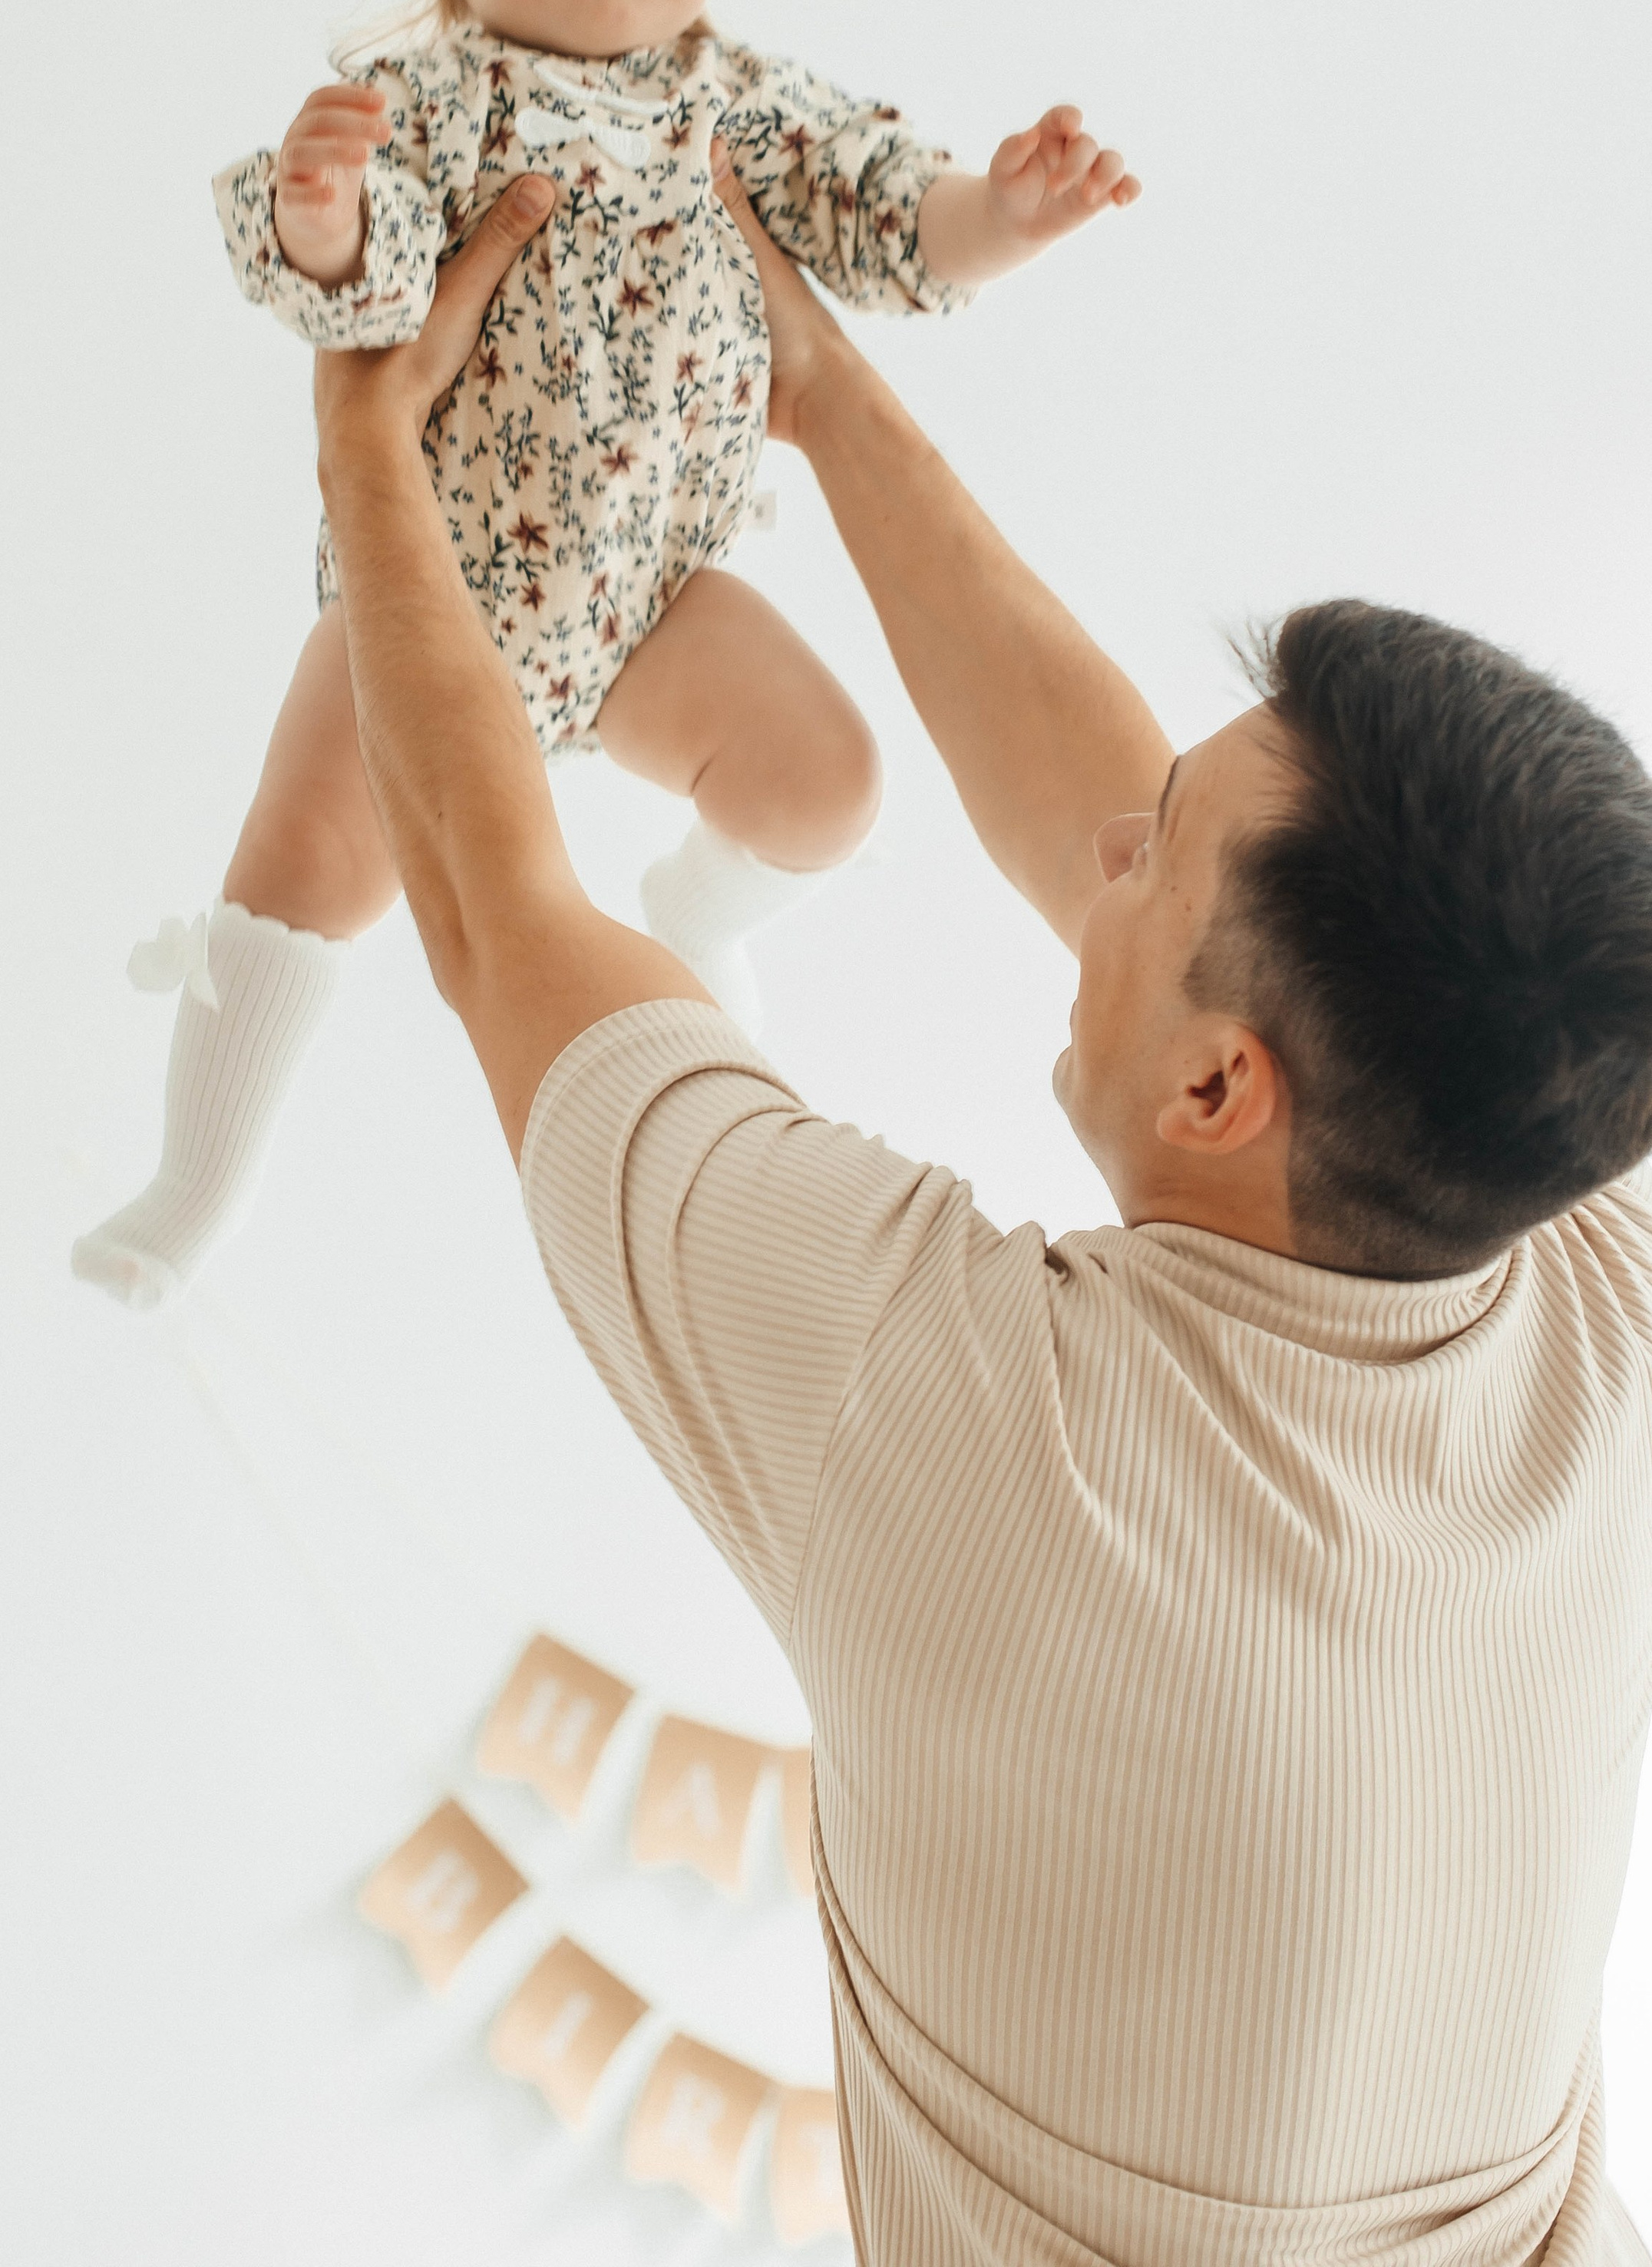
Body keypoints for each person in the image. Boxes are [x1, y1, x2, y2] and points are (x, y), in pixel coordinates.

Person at [309, 160, 1652, 2265]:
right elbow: (1147, 830)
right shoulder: (1590, 1231)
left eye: (1150, 865)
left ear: (1223, 1091)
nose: (1107, 860)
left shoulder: (947, 1424)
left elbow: (502, 916)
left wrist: (368, 443)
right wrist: (824, 389)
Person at [71, 0, 1136, 1310]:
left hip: (654, 602)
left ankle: (696, 915)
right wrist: (323, 206)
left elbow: (878, 223)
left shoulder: (749, 100)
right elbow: (359, 304)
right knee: (302, 876)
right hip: (430, 593)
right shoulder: (429, 103)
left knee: (825, 779)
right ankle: (193, 1179)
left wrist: (1001, 213)